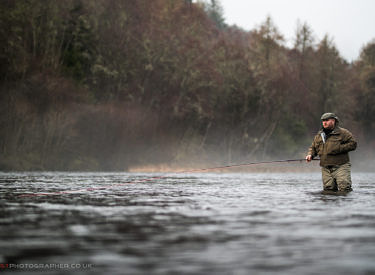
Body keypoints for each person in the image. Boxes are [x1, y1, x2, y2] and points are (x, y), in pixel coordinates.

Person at [306, 113, 357, 193]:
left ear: (333, 121)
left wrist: (338, 148)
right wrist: (310, 155)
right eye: (323, 121)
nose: (324, 123)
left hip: (341, 166)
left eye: (326, 120)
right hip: (326, 168)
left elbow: (353, 144)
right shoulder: (319, 135)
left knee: (345, 189)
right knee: (328, 190)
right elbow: (313, 148)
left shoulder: (343, 133)